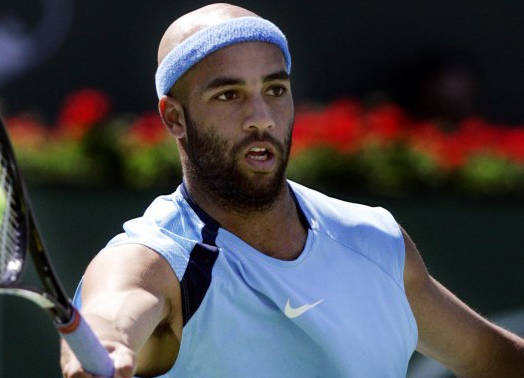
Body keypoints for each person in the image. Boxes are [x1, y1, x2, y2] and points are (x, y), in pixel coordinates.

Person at [60, 3, 524, 377]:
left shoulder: (373, 240)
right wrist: (103, 346)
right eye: (229, 95)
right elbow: (112, 314)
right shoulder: (156, 258)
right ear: (174, 117)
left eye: (275, 89)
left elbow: (491, 359)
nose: (260, 116)